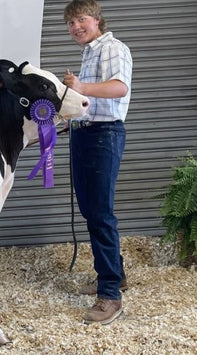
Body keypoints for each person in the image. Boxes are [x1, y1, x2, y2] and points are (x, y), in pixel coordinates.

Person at [62, 0, 133, 325]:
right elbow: (92, 102)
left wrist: (80, 87)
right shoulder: (90, 51)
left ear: (97, 19)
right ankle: (114, 274)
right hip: (86, 133)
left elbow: (119, 88)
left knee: (100, 213)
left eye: (81, 19)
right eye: (71, 23)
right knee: (92, 211)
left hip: (104, 136)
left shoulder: (112, 48)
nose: (76, 27)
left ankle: (109, 296)